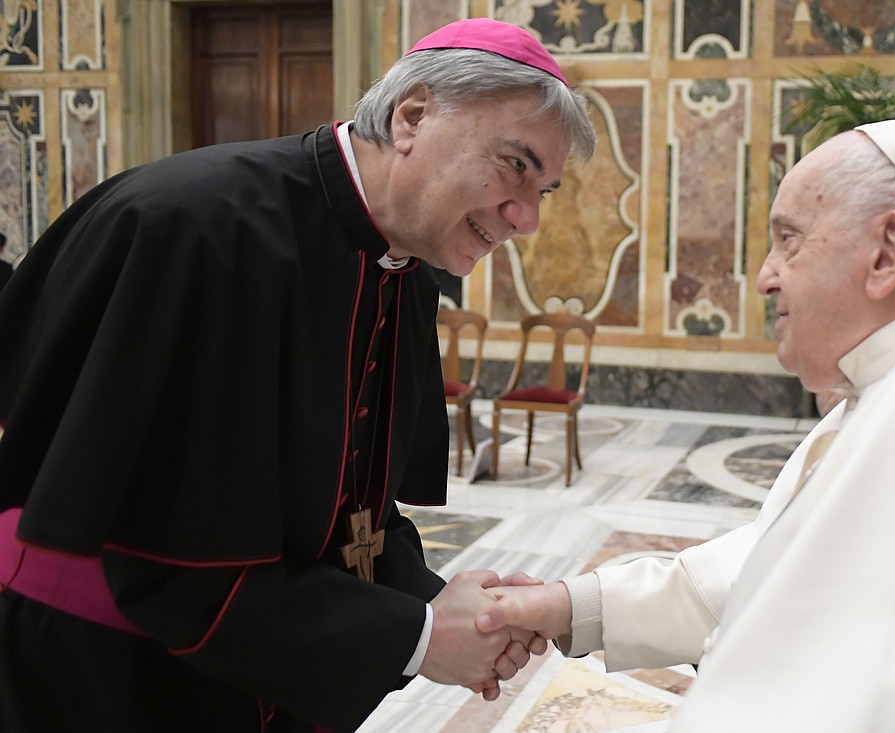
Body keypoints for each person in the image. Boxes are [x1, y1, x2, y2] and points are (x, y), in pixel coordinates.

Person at [0, 18, 595, 733]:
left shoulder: (403, 270)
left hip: (246, 667)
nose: (526, 218)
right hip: (111, 677)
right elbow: (172, 566)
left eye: (545, 190)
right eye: (515, 165)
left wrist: (443, 606)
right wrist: (420, 637)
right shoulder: (198, 233)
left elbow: (350, 516)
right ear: (413, 116)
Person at [490, 119, 895, 731]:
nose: (764, 276)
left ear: (886, 251)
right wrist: (573, 607)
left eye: (790, 240)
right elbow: (776, 567)